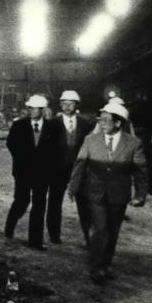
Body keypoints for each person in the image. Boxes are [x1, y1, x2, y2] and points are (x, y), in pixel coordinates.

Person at [69, 101, 147, 284]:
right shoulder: (91, 140)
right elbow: (80, 164)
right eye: (100, 119)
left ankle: (107, 263)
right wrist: (73, 186)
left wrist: (140, 194)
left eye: (105, 120)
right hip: (94, 192)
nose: (101, 123)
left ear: (118, 123)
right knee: (100, 229)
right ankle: (97, 268)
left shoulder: (133, 143)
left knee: (113, 231)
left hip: (118, 194)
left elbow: (140, 170)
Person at [4, 94, 57, 250]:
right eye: (31, 108)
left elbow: (55, 151)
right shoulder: (19, 125)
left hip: (42, 174)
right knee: (21, 201)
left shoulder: (52, 127)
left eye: (37, 109)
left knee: (39, 205)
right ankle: (9, 226)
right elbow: (10, 144)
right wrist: (23, 159)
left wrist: (48, 168)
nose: (33, 111)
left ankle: (35, 241)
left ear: (43, 110)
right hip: (23, 172)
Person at [46, 89, 95, 245]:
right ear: (60, 105)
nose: (67, 107)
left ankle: (90, 237)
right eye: (64, 104)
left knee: (84, 203)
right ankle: (54, 234)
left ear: (76, 105)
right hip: (57, 169)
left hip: (79, 170)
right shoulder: (52, 124)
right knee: (55, 202)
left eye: (71, 104)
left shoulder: (85, 124)